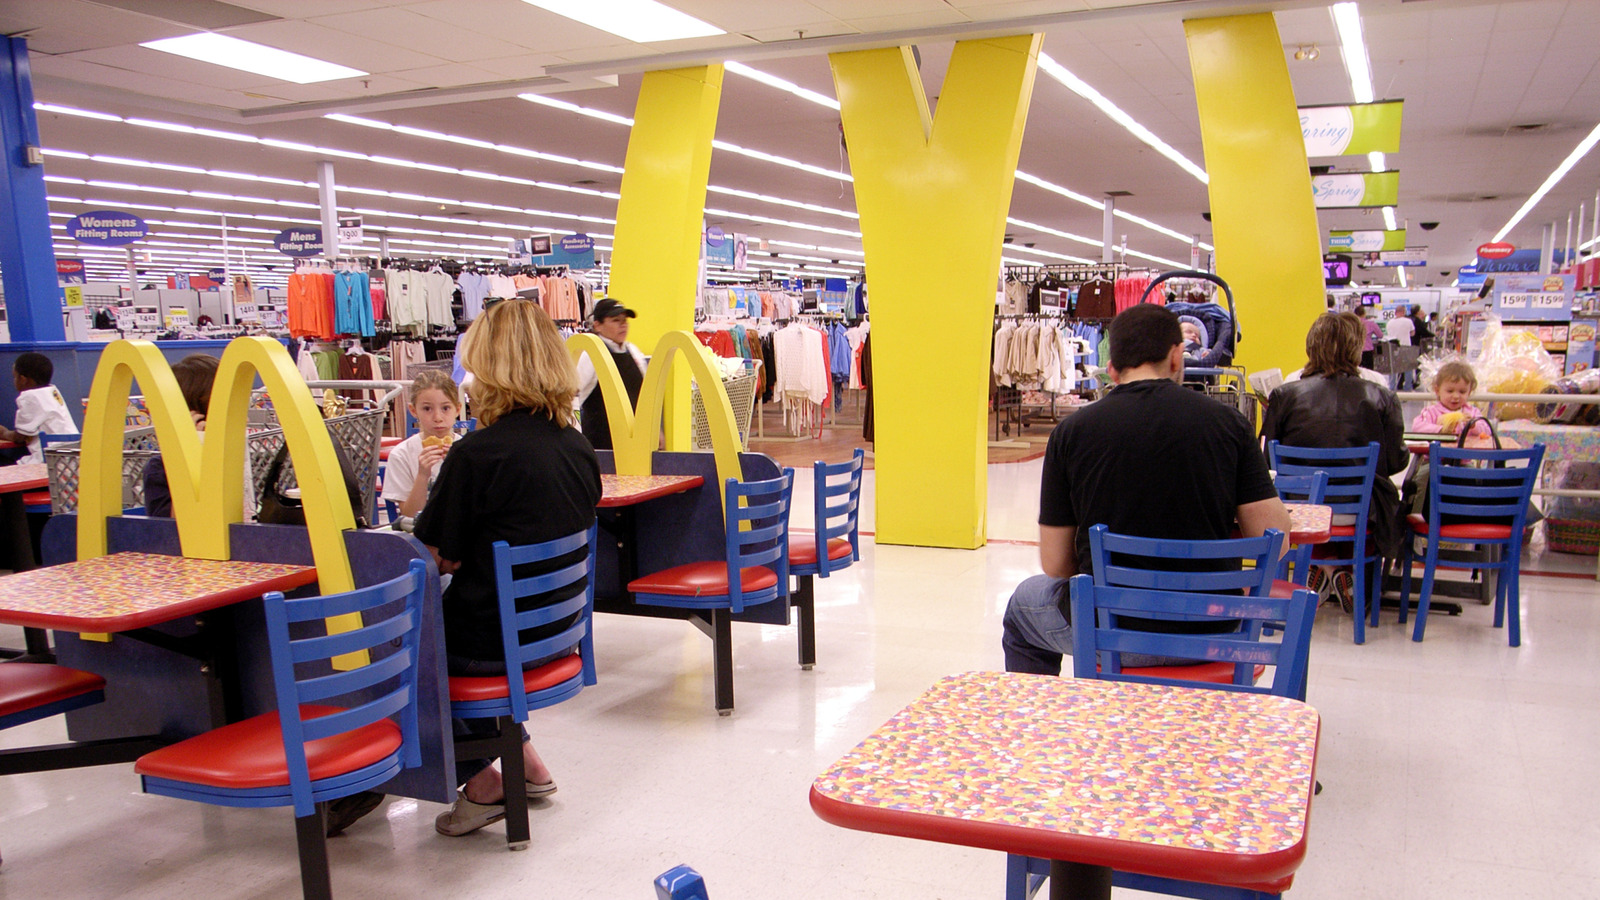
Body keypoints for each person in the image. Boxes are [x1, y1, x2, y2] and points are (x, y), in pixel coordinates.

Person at [1000, 305, 1290, 676]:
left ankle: (1054, 725)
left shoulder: (1072, 433)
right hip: (1213, 631)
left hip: (1109, 632)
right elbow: (1276, 540)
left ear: (1113, 369)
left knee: (1022, 608)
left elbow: (1055, 565)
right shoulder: (1229, 425)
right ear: (1175, 356)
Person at [413, 298, 602, 839]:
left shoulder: (476, 454)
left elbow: (434, 558)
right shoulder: (577, 446)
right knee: (464, 622)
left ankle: (480, 781)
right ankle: (528, 764)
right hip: (555, 632)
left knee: (396, 648)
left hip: (492, 643)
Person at [1261, 312, 1408, 608]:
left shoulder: (1284, 394)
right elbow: (1396, 461)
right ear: (1356, 348)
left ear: (1310, 346)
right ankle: (1345, 574)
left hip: (1298, 509)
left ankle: (1319, 570)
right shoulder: (1381, 395)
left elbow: (1267, 461)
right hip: (1359, 512)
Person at [141, 354, 255, 522]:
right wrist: (195, 450)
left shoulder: (241, 456)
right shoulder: (160, 469)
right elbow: (170, 531)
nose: (246, 419)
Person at [381, 370, 461, 519]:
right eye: (427, 409)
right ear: (413, 410)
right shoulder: (402, 454)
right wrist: (423, 475)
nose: (437, 417)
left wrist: (457, 468)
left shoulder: (468, 449)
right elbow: (410, 515)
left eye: (445, 408)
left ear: (457, 409)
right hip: (421, 535)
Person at [573, 298, 647, 450]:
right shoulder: (590, 355)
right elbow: (572, 398)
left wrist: (654, 431)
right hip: (600, 446)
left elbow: (645, 398)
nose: (623, 325)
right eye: (615, 320)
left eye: (624, 320)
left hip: (634, 446)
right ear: (597, 325)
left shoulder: (634, 352)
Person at [0, 353, 77, 464]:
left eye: (14, 376)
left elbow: (20, 437)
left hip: (52, 461)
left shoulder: (29, 397)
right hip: (71, 456)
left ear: (23, 379)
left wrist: (3, 432)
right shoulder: (52, 391)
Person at [1411, 360, 1490, 437]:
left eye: (1462, 392)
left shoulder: (1473, 412)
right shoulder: (1431, 412)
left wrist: (1474, 426)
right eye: (1450, 391)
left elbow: (1488, 431)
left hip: (1467, 449)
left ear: (1469, 392)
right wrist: (1440, 430)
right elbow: (1417, 427)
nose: (1456, 396)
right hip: (1441, 449)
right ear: (1437, 390)